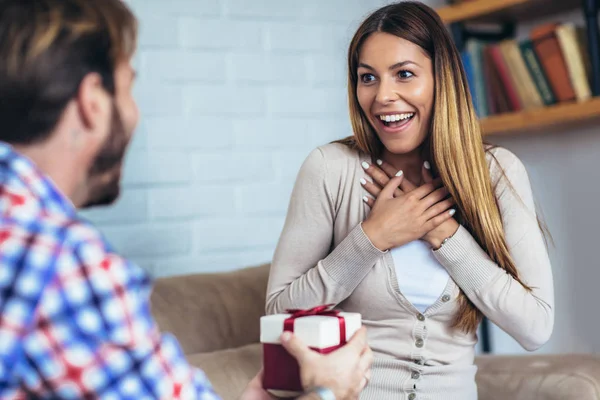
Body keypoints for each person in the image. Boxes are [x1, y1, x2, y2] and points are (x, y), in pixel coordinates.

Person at [0, 0, 372, 399]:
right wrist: (327, 392)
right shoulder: (62, 263)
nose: (135, 111)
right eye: (129, 87)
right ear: (93, 103)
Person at [266, 1, 554, 399]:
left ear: (442, 80)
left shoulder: (496, 173)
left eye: (404, 74)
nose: (383, 96)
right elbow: (279, 314)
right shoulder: (330, 170)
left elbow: (535, 328)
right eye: (368, 78)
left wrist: (446, 235)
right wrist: (371, 237)